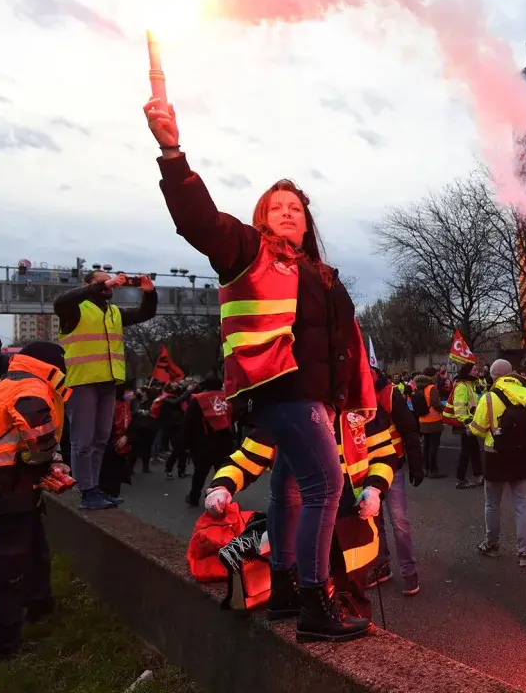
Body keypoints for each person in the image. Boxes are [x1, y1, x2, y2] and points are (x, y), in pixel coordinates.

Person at [145, 97, 376, 643]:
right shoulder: (247, 251)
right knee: (326, 484)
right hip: (282, 389)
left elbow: (345, 345)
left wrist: (349, 398)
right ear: (261, 219)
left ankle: (284, 591)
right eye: (278, 207)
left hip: (313, 396)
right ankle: (318, 604)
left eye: (296, 206)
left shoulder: (321, 274)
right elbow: (197, 220)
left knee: (292, 488)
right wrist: (172, 152)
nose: (288, 212)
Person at [205, 406, 398, 639]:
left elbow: (384, 454)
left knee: (356, 607)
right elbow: (248, 457)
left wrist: (375, 487)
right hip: (308, 535)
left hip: (354, 527)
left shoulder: (363, 406)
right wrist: (222, 486)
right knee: (316, 602)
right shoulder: (290, 409)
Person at [0, 343, 72, 660]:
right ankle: (3, 646)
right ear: (51, 366)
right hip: (5, 490)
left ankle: (39, 604)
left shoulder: (5, 382)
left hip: (11, 488)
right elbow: (38, 431)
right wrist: (44, 465)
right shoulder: (32, 386)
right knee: (7, 566)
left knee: (34, 548)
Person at [55, 270, 157, 510]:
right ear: (87, 284)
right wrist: (97, 287)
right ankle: (86, 490)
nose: (109, 284)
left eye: (110, 281)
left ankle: (94, 487)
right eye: (102, 281)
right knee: (83, 440)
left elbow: (146, 313)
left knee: (101, 438)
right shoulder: (75, 309)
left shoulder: (113, 312)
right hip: (82, 381)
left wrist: (150, 294)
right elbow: (61, 301)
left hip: (108, 381)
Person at [469, 359, 526, 567]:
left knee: (492, 504)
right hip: (520, 455)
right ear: (512, 374)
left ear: (493, 375)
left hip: (494, 455)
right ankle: (524, 553)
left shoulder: (488, 397)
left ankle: (492, 545)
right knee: (521, 505)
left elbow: (477, 429)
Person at [369, 367, 424, 596]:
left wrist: (416, 461)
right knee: (373, 523)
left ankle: (409, 572)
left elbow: (408, 428)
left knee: (399, 522)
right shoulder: (348, 394)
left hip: (392, 466)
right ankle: (381, 566)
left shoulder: (389, 393)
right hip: (363, 470)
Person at [182, 378, 234, 508]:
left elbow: (188, 423)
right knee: (222, 473)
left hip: (202, 442)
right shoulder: (227, 398)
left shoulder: (198, 399)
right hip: (224, 442)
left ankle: (194, 497)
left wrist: (186, 444)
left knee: (200, 472)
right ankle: (222, 499)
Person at [449, 362, 484, 489]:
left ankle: (478, 475)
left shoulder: (470, 385)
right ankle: (461, 479)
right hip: (467, 424)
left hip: (471, 423)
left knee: (473, 450)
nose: (477, 371)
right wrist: (466, 423)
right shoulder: (462, 386)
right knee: (467, 451)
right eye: (474, 370)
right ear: (468, 371)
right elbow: (460, 406)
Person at [411, 368, 447, 479]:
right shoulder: (432, 387)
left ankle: (426, 469)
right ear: (432, 375)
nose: (437, 376)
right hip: (434, 421)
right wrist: (444, 408)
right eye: (436, 374)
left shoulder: (418, 386)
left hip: (422, 420)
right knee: (433, 447)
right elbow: (436, 403)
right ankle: (433, 470)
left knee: (426, 446)